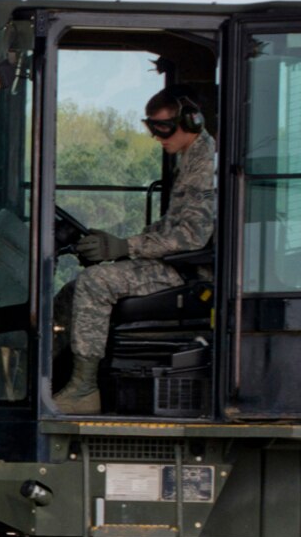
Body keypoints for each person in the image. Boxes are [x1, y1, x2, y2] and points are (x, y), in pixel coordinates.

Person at [52, 89, 218, 414]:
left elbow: (190, 237)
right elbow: (170, 228)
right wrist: (118, 247)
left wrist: (125, 247)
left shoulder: (205, 165)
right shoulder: (191, 158)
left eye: (163, 128)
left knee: (94, 283)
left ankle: (84, 390)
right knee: (72, 290)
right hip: (174, 263)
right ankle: (57, 380)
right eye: (151, 128)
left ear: (190, 121)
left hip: (189, 270)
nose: (156, 137)